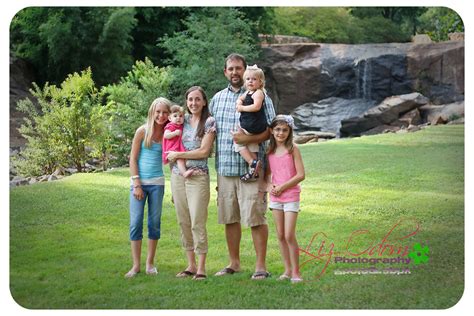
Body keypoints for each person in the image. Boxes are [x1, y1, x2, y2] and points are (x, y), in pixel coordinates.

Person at [210, 53, 276, 280]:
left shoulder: (260, 95)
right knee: (230, 217)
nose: (235, 72)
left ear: (245, 70)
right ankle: (234, 263)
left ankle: (260, 267)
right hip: (225, 169)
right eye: (231, 69)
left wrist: (247, 141)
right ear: (225, 72)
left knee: (256, 217)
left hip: (253, 169)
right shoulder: (217, 99)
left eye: (239, 68)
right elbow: (209, 134)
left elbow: (273, 131)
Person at [166, 86, 216, 281]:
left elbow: (204, 151)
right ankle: (190, 265)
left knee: (197, 220)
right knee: (183, 220)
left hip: (198, 176)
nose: (193, 103)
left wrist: (179, 155)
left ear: (204, 101)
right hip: (178, 176)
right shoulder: (181, 119)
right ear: (186, 102)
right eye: (190, 100)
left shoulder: (209, 122)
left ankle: (202, 267)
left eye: (197, 99)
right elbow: (165, 131)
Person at [125, 97, 171, 278]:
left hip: (157, 184)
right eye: (158, 111)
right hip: (139, 184)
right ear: (152, 112)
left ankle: (150, 263)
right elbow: (133, 159)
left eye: (165, 112)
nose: (161, 115)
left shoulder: (169, 133)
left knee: (154, 224)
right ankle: (135, 266)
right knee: (136, 223)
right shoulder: (142, 131)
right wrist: (136, 184)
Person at [266, 115, 305, 283]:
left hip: (290, 196)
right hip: (275, 198)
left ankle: (296, 272)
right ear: (272, 131)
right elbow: (266, 176)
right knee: (280, 234)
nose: (281, 133)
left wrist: (283, 187)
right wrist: (270, 187)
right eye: (277, 129)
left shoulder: (293, 149)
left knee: (289, 234)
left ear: (289, 132)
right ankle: (287, 270)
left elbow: (301, 175)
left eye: (284, 130)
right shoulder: (269, 151)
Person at [235, 64, 267, 182]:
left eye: (254, 79)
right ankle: (254, 171)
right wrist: (239, 102)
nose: (250, 81)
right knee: (252, 147)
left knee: (237, 142)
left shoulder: (258, 93)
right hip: (251, 126)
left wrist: (242, 108)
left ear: (260, 82)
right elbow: (241, 99)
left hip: (254, 125)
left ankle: (251, 162)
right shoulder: (248, 92)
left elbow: (256, 107)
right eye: (248, 79)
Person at [162, 105, 194, 178]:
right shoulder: (170, 126)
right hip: (172, 147)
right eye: (175, 116)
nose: (178, 118)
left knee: (181, 159)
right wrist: (174, 133)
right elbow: (166, 135)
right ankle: (184, 173)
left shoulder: (181, 126)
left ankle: (180, 172)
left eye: (181, 116)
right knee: (180, 159)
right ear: (170, 118)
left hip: (177, 146)